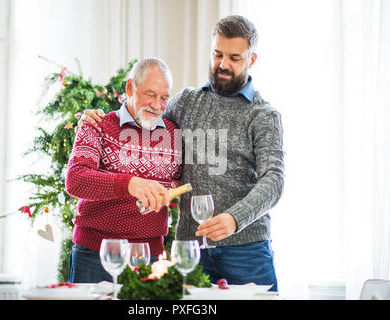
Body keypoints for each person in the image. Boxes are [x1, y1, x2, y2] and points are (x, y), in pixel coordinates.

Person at [79, 15, 284, 292]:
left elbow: (274, 180)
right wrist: (97, 117)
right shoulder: (186, 101)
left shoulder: (264, 115)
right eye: (217, 54)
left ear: (252, 59)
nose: (223, 65)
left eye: (234, 58)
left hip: (246, 248)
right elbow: (143, 116)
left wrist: (235, 219)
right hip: (191, 249)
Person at [65, 57, 182, 283]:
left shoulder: (175, 136)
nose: (157, 106)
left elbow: (189, 182)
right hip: (94, 254)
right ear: (130, 87)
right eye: (150, 94)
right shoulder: (96, 125)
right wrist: (130, 183)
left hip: (148, 257)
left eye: (164, 98)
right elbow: (76, 180)